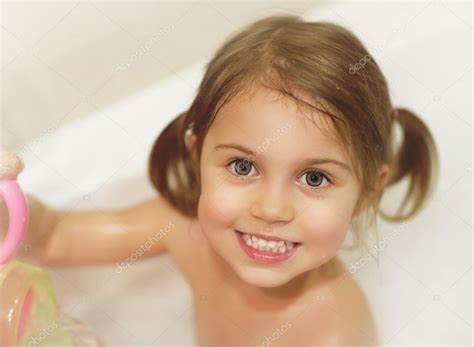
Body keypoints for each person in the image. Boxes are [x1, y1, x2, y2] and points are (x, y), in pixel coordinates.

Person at [2, 14, 439, 346]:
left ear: (366, 193)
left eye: (314, 177)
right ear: (197, 156)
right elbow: (53, 238)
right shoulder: (187, 229)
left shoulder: (331, 331)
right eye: (243, 167)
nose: (271, 209)